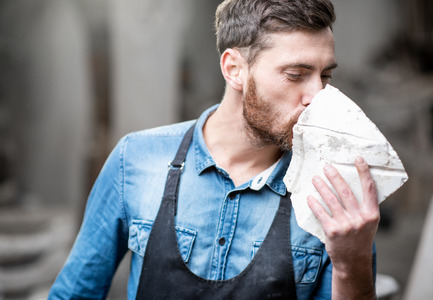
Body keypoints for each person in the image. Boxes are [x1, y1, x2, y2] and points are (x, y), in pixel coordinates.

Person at [49, 0, 379, 299]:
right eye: (296, 75)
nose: (317, 96)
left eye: (325, 76)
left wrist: (352, 264)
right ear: (234, 69)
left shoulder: (334, 195)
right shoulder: (136, 159)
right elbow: (74, 294)